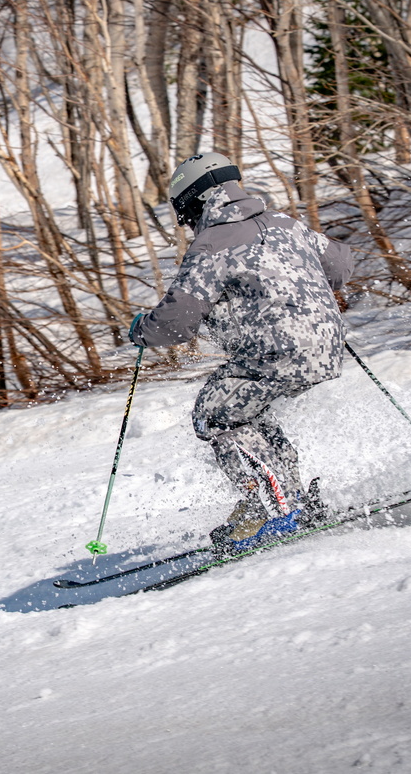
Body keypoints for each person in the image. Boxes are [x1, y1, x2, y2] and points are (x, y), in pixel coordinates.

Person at [128, 152, 353, 554]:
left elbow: (178, 321)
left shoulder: (212, 244)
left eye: (184, 214)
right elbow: (340, 267)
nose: (186, 223)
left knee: (213, 415)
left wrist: (143, 330)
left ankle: (277, 508)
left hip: (275, 350)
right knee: (245, 412)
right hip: (328, 344)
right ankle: (286, 498)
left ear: (194, 202)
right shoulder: (286, 223)